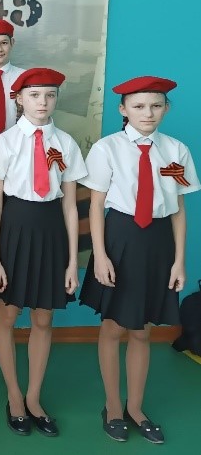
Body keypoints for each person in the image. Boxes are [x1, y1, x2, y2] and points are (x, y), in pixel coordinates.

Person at [79, 76, 199, 444]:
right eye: (139, 106)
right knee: (114, 327)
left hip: (159, 243)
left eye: (156, 105)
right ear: (123, 109)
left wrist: (179, 261)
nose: (148, 113)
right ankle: (113, 406)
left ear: (166, 108)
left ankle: (136, 408)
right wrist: (100, 256)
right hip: (120, 239)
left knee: (142, 330)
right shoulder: (107, 148)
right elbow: (96, 206)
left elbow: (178, 209)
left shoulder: (176, 150)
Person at [0, 68, 86, 436]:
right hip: (13, 229)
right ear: (19, 99)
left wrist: (72, 262)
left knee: (43, 319)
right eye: (34, 95)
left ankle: (33, 397)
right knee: (8, 316)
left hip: (51, 232)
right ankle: (13, 394)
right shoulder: (5, 142)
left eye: (49, 95)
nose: (43, 102)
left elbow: (70, 207)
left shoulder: (67, 143)